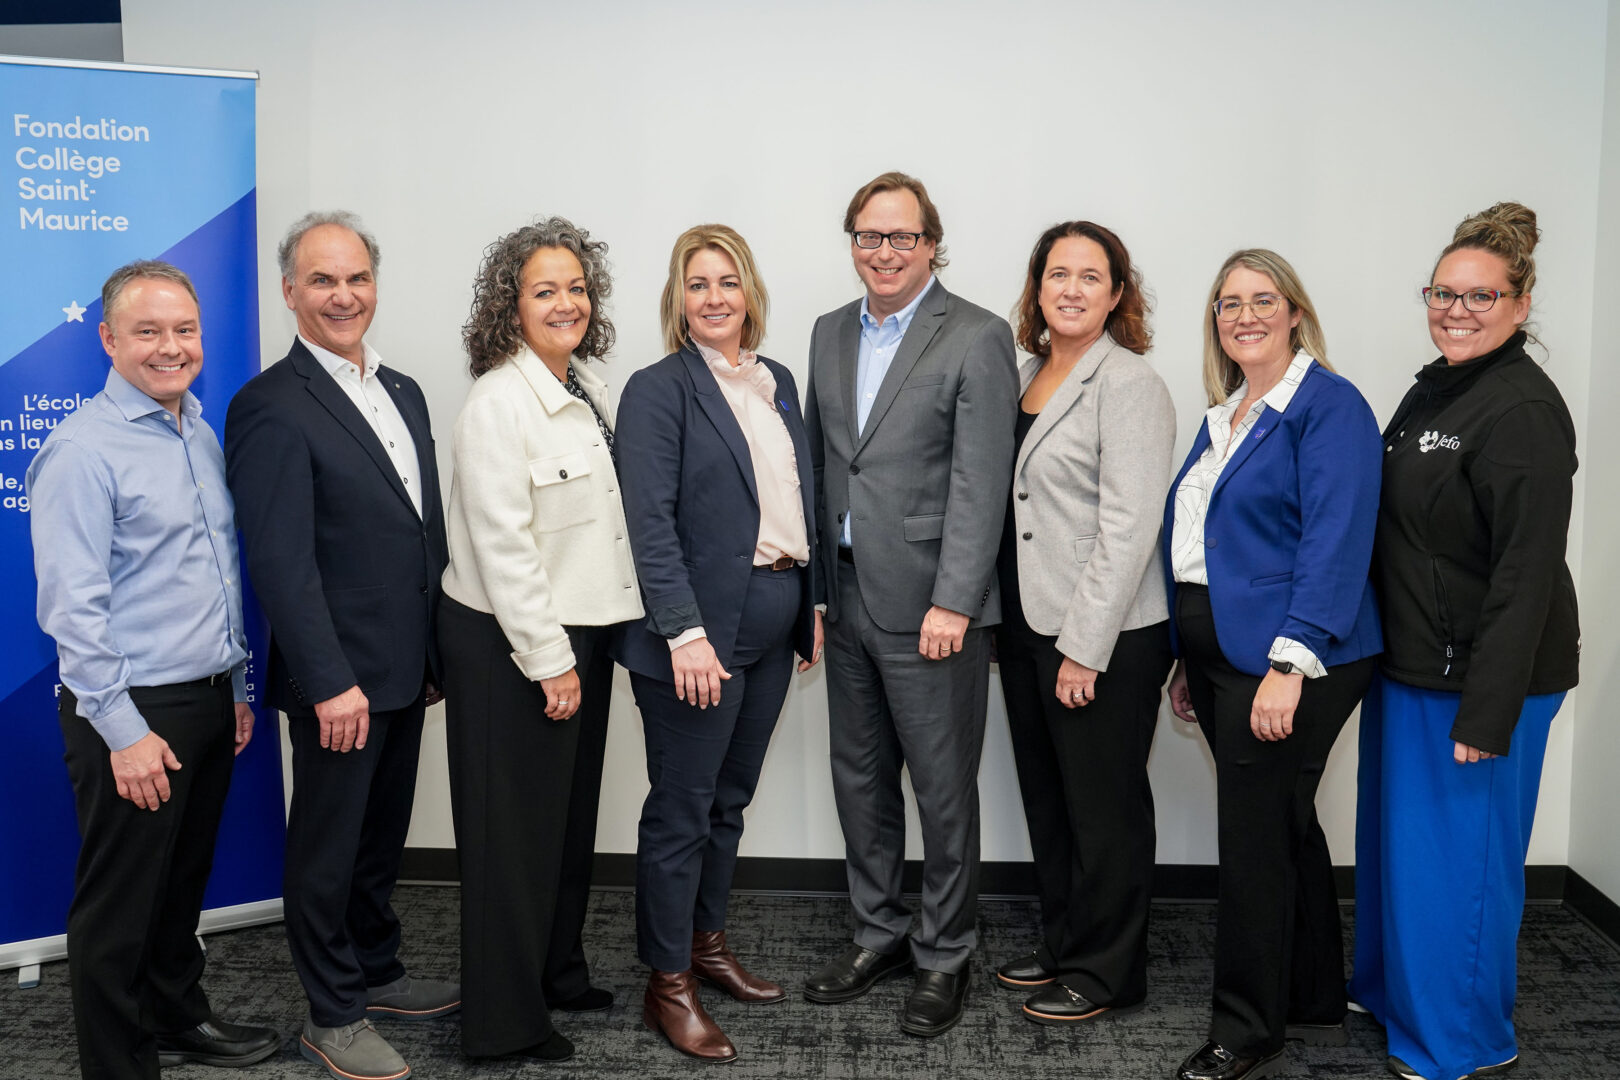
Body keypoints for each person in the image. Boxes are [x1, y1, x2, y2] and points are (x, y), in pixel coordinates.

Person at [27, 260, 279, 1080]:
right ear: (108, 339)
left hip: (207, 698)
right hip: (129, 711)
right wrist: (125, 734)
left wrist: (235, 687)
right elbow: (73, 611)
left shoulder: (198, 430)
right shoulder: (81, 451)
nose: (172, 348)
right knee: (122, 901)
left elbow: (214, 572)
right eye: (148, 331)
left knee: (179, 888)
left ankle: (177, 1018)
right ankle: (118, 1061)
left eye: (185, 330)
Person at [1349, 203, 1580, 1080]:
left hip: (1485, 685)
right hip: (1412, 667)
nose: (1457, 309)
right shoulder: (1438, 385)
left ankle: (1460, 1042)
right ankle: (1394, 995)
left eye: (1481, 296)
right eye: (1444, 292)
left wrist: (1489, 712)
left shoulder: (1521, 411)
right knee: (1403, 860)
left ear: (1521, 303)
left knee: (1461, 873)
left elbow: (1524, 576)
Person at [225, 212, 456, 1080]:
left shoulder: (403, 390)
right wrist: (326, 681)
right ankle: (332, 1012)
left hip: (404, 669)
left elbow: (415, 531)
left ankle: (376, 970)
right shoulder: (268, 406)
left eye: (356, 278)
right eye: (322, 280)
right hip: (339, 683)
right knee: (326, 850)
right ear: (289, 291)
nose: (343, 295)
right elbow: (279, 562)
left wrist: (433, 656)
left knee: (380, 838)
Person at [802, 171, 1019, 1037]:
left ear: (931, 244)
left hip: (934, 608)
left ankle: (944, 951)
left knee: (942, 791)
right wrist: (814, 595)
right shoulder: (826, 333)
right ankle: (878, 932)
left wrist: (956, 601)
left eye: (901, 237)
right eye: (867, 236)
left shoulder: (977, 335)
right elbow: (826, 467)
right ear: (851, 242)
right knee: (859, 780)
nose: (883, 252)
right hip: (846, 596)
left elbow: (981, 482)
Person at [1163, 249, 1383, 1080]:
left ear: (1295, 311)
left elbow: (1336, 539)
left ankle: (1247, 1027)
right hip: (1226, 654)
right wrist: (1190, 654)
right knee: (1285, 820)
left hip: (1300, 653)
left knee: (1253, 835)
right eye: (1228, 303)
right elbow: (1202, 547)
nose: (1243, 315)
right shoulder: (1226, 414)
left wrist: (1290, 665)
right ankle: (1314, 992)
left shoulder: (1329, 407)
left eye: (1263, 299)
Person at [438, 217, 642, 1063]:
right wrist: (549, 659)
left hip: (578, 636)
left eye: (576, 288)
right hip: (514, 648)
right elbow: (502, 544)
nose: (566, 303)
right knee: (510, 842)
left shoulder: (584, 384)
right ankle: (502, 1022)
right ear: (509, 306)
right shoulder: (497, 401)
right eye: (544, 290)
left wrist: (575, 654)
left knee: (562, 828)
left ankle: (556, 971)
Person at [616, 224, 820, 1063]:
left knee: (727, 803)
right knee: (682, 811)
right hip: (697, 635)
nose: (714, 297)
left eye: (728, 281)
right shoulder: (658, 389)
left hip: (774, 621)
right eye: (697, 283)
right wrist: (685, 635)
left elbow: (797, 502)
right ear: (678, 299)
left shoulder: (778, 383)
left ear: (750, 293)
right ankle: (667, 983)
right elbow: (649, 524)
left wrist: (810, 605)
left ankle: (706, 944)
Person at [993, 222, 1176, 1024]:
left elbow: (1130, 529)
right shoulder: (1029, 373)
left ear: (1117, 294)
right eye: (1056, 274)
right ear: (1037, 288)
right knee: (1052, 800)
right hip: (1027, 625)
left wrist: (1083, 650)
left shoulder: (1130, 384)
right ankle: (1068, 945)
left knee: (1104, 809)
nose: (1071, 289)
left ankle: (1110, 974)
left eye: (1090, 276)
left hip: (1104, 636)